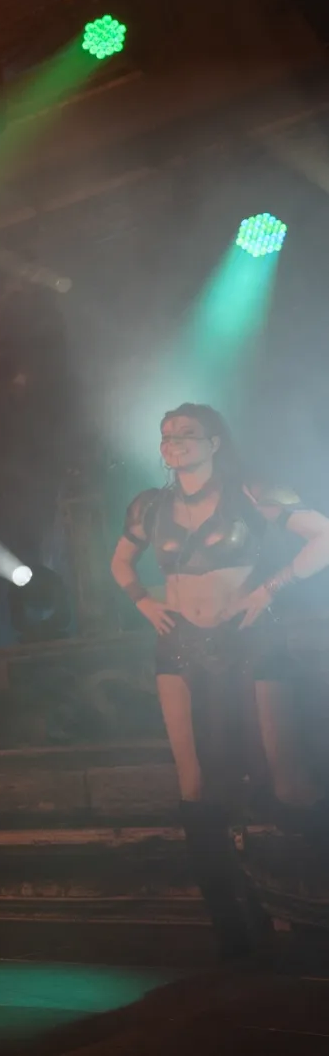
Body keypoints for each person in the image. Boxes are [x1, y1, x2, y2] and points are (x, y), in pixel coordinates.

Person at [110, 403, 329, 958]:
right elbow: (120, 564)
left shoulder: (253, 491)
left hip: (250, 637)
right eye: (166, 435)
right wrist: (144, 602)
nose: (174, 442)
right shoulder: (149, 505)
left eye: (187, 434)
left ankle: (315, 905)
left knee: (287, 780)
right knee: (195, 782)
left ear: (214, 442)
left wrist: (270, 588)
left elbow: (323, 536)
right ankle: (235, 931)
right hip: (179, 644)